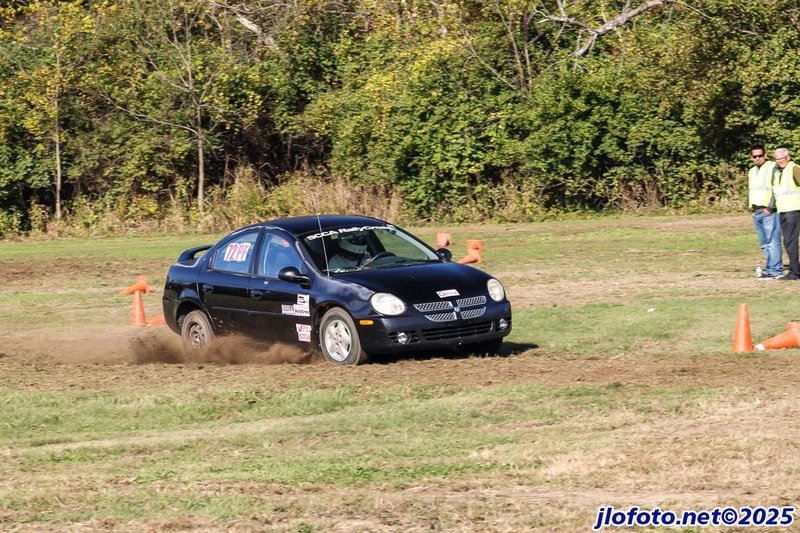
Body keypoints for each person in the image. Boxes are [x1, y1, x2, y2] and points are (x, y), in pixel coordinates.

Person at [748, 144, 782, 278]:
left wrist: (771, 207)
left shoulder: (772, 167)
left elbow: (776, 188)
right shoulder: (751, 171)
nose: (757, 158)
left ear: (765, 155)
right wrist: (750, 208)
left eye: (760, 156)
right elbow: (751, 190)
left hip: (769, 211)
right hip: (756, 212)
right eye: (754, 156)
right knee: (764, 244)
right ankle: (770, 269)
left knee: (773, 242)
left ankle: (776, 271)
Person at [773, 147, 800, 280]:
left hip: (793, 210)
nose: (780, 161)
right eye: (777, 159)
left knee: (790, 242)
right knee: (789, 242)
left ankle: (794, 272)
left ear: (788, 157)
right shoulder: (778, 172)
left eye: (782, 159)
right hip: (783, 211)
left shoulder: (794, 169)